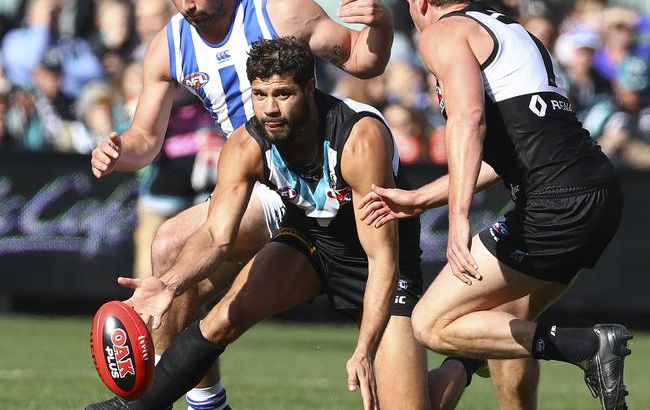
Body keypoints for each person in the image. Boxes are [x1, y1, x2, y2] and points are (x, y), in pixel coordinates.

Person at [89, 0, 393, 410]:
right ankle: (206, 402)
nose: (185, 3)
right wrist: (117, 149)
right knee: (168, 245)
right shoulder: (168, 46)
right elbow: (145, 139)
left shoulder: (280, 12)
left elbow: (364, 60)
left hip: (328, 165)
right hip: (258, 175)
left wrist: (381, 24)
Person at [86, 36, 441, 410]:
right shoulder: (246, 144)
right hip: (311, 243)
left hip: (378, 263)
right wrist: (168, 284)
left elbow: (382, 259)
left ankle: (460, 367)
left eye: (282, 94)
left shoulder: (357, 138)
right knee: (222, 319)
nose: (269, 108)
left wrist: (364, 349)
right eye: (259, 95)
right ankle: (138, 407)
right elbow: (216, 235)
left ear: (309, 88)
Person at [358, 0, 631, 410]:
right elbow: (515, 145)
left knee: (432, 323)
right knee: (506, 322)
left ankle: (589, 347)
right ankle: (487, 370)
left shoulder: (444, 34)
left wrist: (458, 216)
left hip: (555, 201)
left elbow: (468, 120)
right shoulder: (513, 30)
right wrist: (425, 196)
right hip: (598, 191)